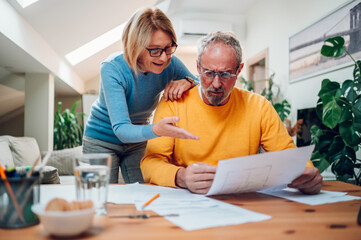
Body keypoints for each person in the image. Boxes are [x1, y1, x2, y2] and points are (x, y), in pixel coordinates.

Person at [141, 31, 323, 195]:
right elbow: (150, 163)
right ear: (197, 68)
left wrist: (309, 176)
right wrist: (181, 177)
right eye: (209, 73)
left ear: (239, 70)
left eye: (226, 74)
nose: (217, 83)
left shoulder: (259, 107)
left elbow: (288, 156)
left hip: (241, 202)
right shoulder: (174, 103)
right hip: (186, 202)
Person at [83, 8, 199, 184]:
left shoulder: (171, 63)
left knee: (144, 191)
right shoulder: (112, 68)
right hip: (101, 140)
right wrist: (156, 130)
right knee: (103, 198)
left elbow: (201, 83)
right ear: (135, 46)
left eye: (169, 48)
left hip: (138, 140)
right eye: (155, 50)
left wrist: (188, 81)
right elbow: (121, 129)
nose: (163, 58)